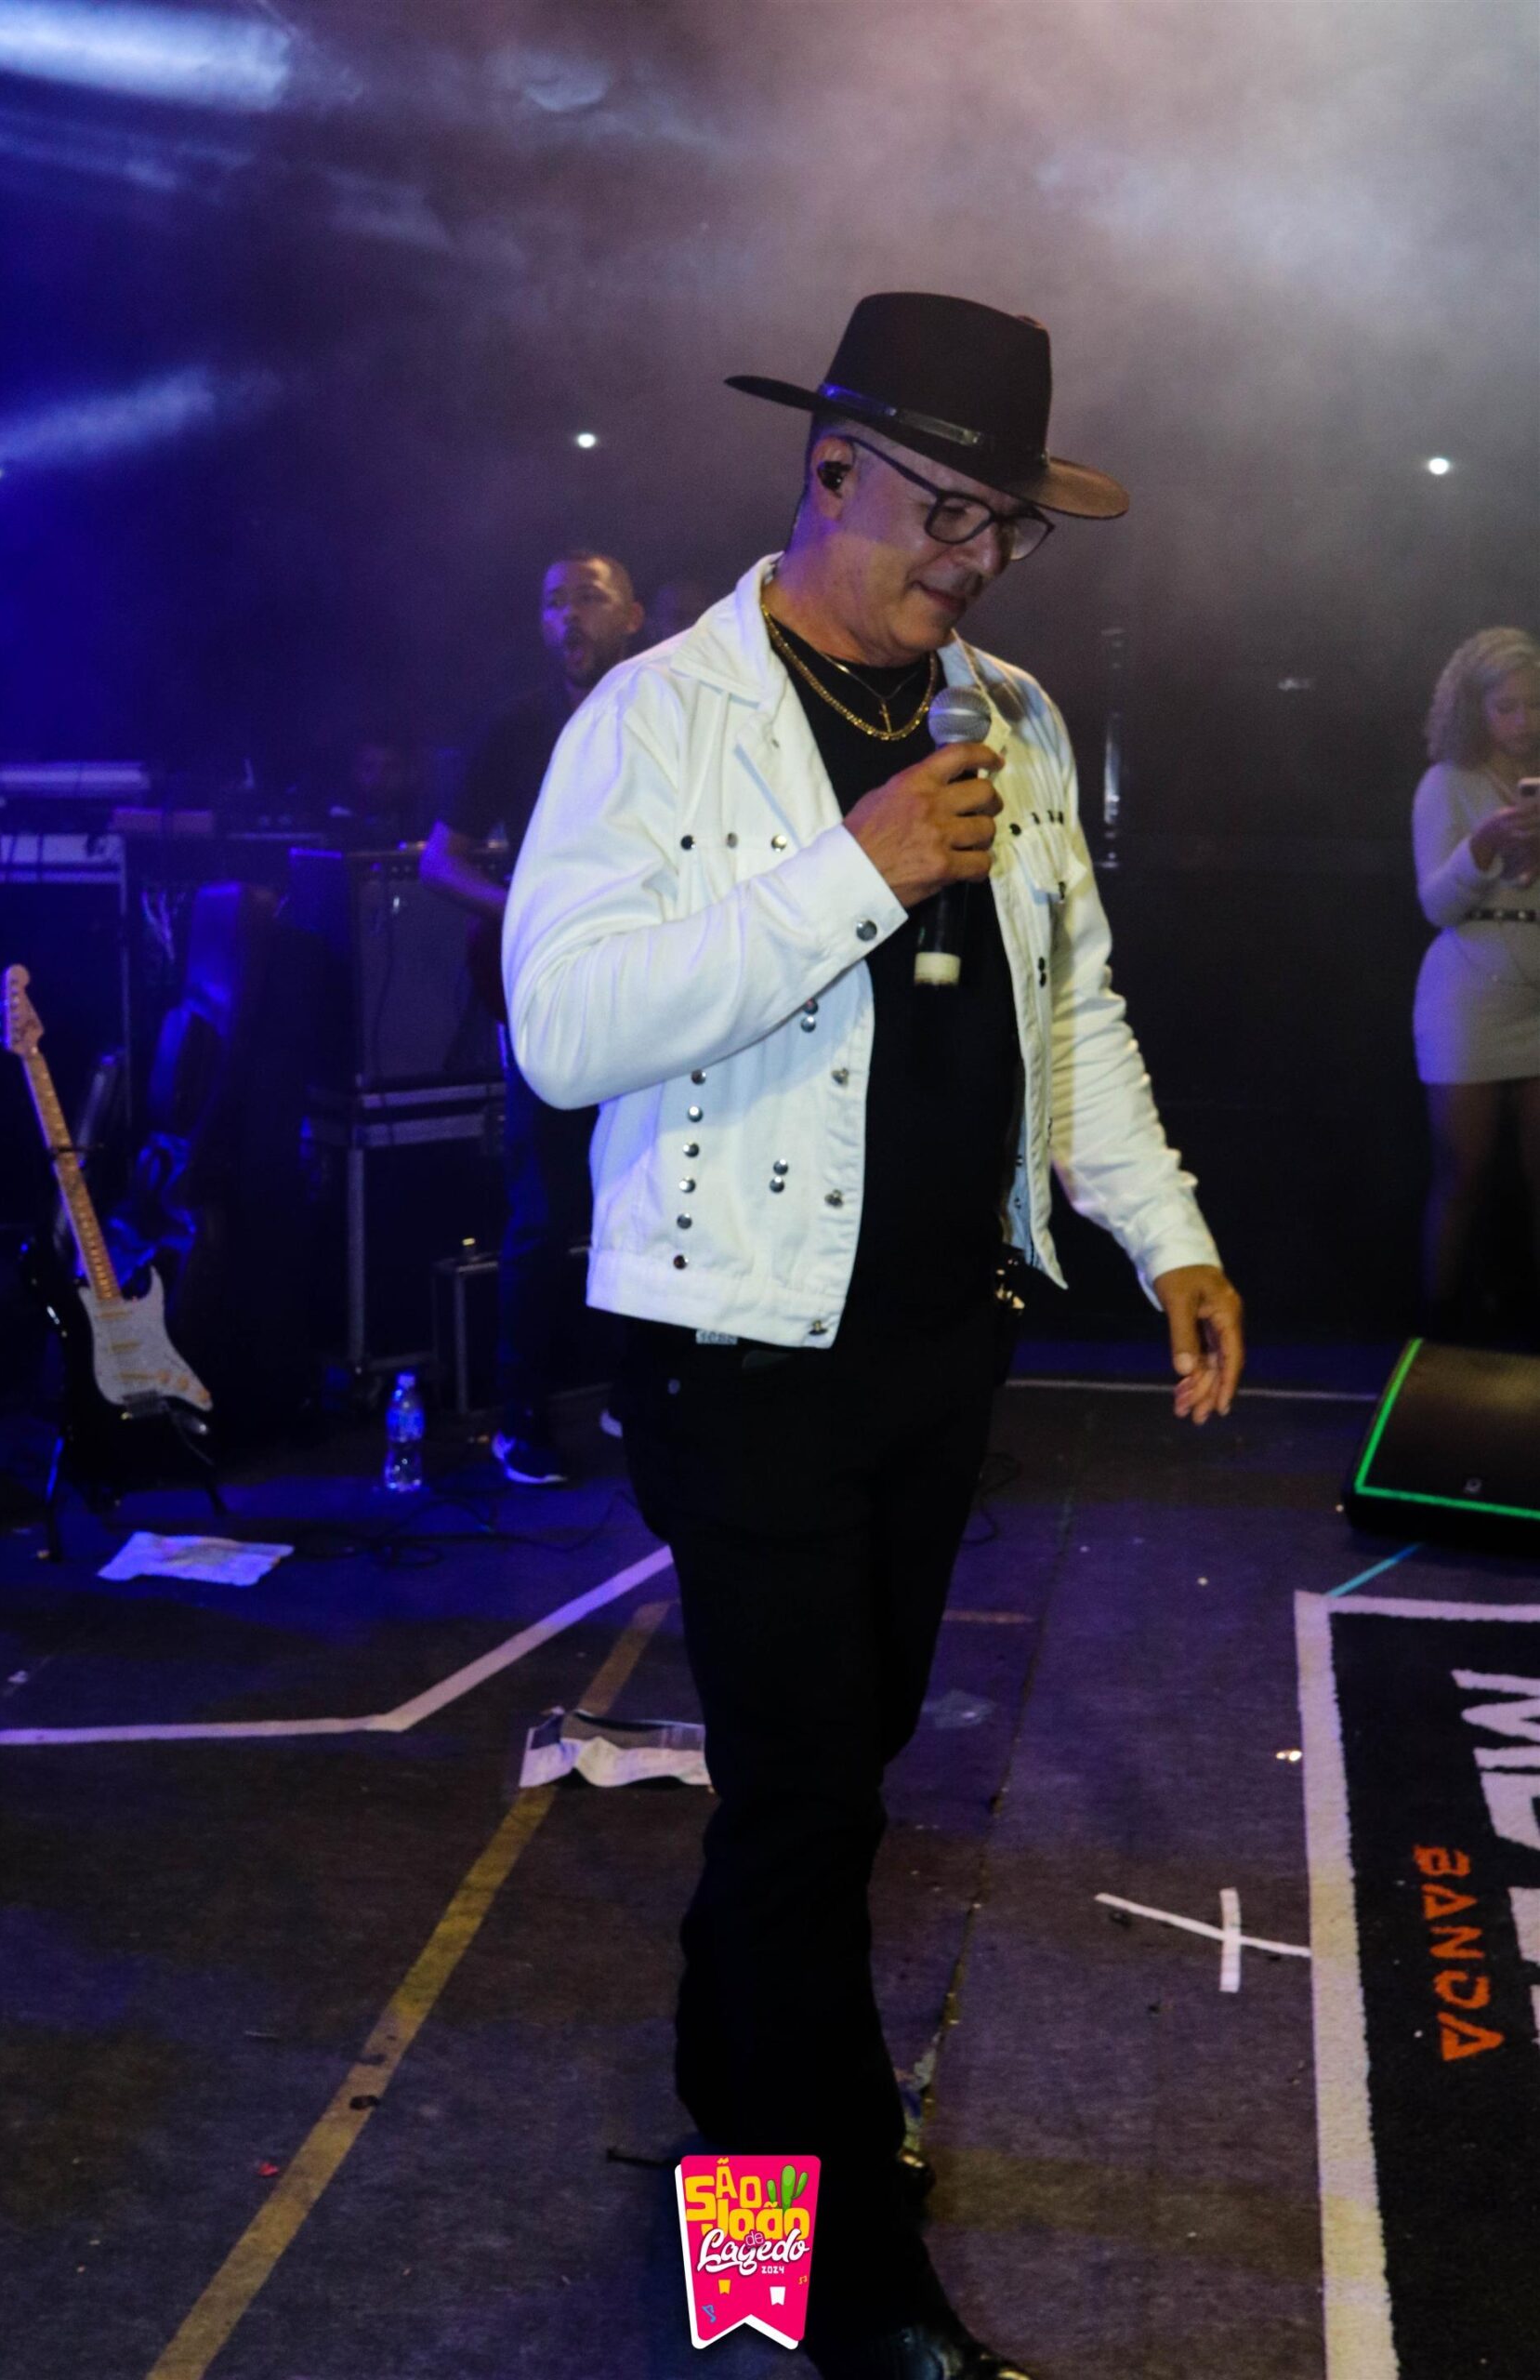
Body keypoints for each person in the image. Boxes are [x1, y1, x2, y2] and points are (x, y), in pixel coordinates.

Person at [505, 294, 1244, 2380]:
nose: (975, 560)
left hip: (940, 1338)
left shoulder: (1007, 711)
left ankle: (734, 2142)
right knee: (809, 1798)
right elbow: (561, 1030)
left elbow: (1068, 1006)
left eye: (1007, 525)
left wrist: (1167, 1235)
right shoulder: (658, 716)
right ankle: (829, 2270)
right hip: (734, 1348)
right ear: (825, 471)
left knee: (823, 1779)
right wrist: (852, 868)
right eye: (944, 512)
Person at [421, 550, 644, 1482]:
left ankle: (640, 1395)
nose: (568, 616)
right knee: (544, 1211)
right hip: (552, 993)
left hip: (648, 987)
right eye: (554, 602)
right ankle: (523, 1418)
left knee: (646, 1195)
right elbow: (441, 861)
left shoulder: (665, 711)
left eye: (588, 597)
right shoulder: (515, 726)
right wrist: (530, 915)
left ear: (631, 615)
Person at [1412, 627, 1540, 1337]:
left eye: (1534, 705)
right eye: (1506, 707)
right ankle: (1435, 1335)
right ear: (1476, 709)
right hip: (1468, 995)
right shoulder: (1445, 783)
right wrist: (1484, 844)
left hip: (1536, 992)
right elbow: (1436, 905)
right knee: (1463, 1173)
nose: (1522, 721)